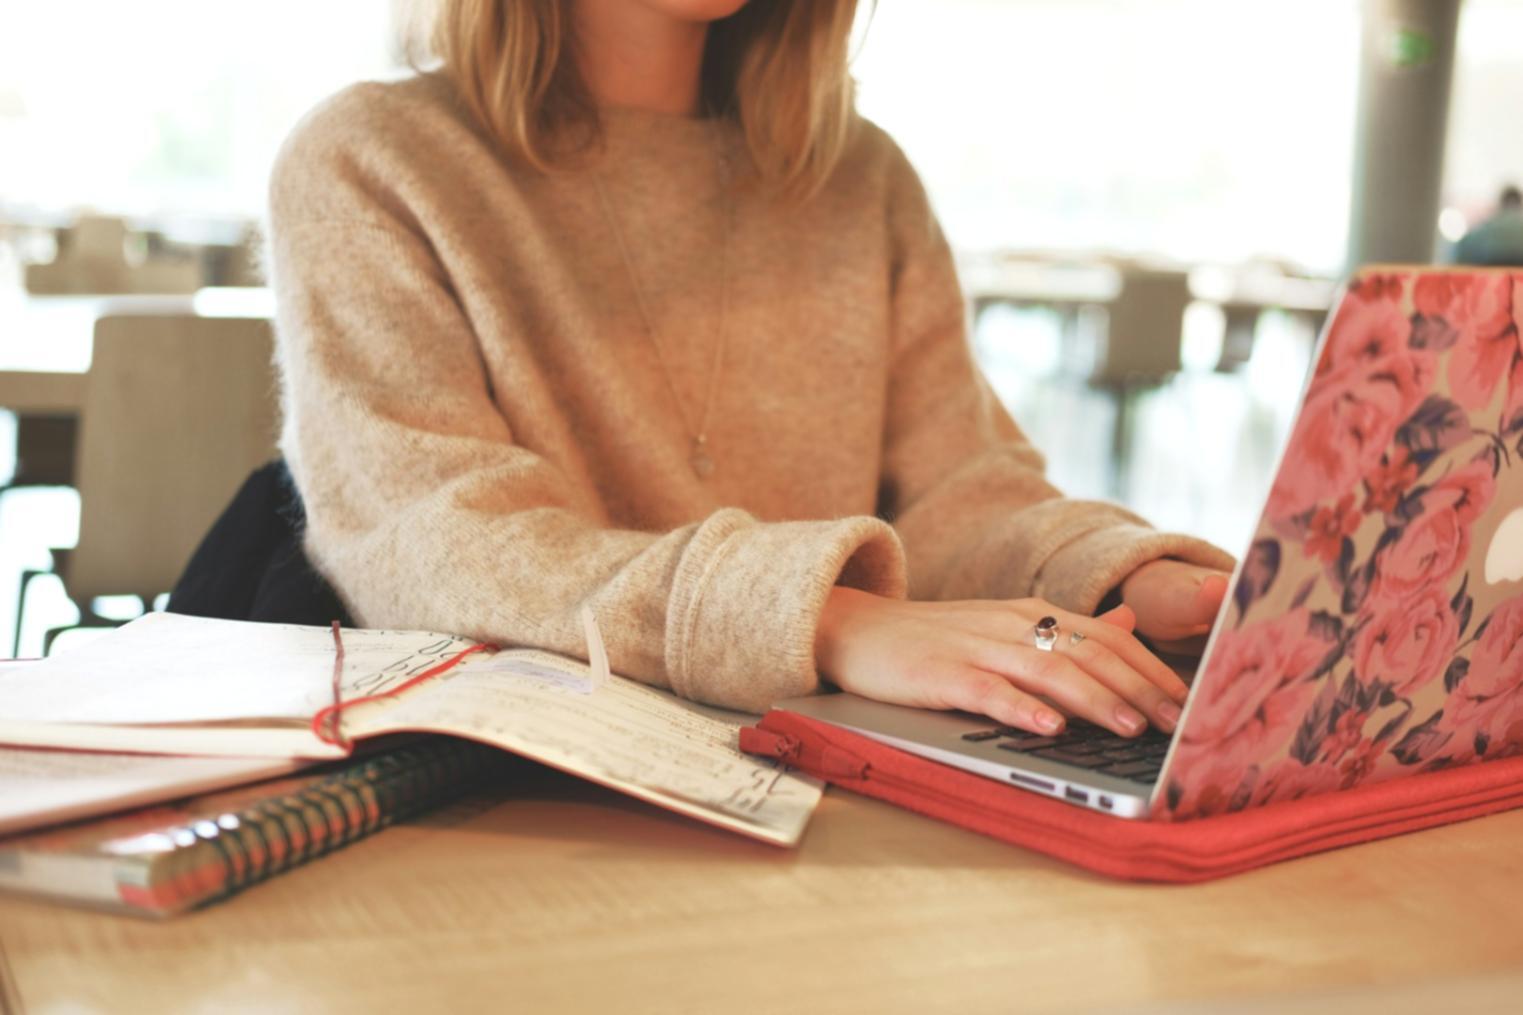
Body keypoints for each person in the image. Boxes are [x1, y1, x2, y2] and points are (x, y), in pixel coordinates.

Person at [266, 0, 1234, 742]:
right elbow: (445, 547)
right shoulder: (369, 163)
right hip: (522, 838)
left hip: (836, 811)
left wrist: (1119, 583)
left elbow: (955, 494)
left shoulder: (861, 181)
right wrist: (827, 621)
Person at [1452, 185, 1523, 267]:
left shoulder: (1486, 228)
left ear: (1501, 203)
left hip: (1489, 274)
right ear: (1520, 203)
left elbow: (1463, 247)